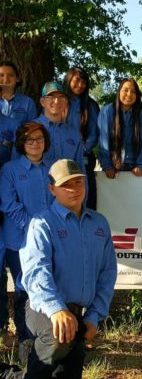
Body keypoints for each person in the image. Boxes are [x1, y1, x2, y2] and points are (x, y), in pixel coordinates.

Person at [0, 159, 117, 378]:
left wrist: (94, 316)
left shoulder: (99, 224)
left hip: (77, 312)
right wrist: (56, 310)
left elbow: (107, 273)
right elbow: (36, 273)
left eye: (79, 182)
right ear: (52, 189)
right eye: (66, 185)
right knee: (58, 338)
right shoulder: (41, 223)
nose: (74, 189)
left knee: (66, 372)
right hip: (40, 306)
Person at [0, 122, 53, 363]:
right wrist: (34, 229)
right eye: (29, 139)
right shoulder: (9, 170)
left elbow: (60, 201)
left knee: (46, 287)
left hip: (49, 241)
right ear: (22, 143)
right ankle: (25, 340)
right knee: (23, 291)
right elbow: (9, 204)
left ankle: (50, 340)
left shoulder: (54, 168)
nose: (34, 143)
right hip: (19, 241)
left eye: (39, 138)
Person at [98, 78, 142, 179]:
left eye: (133, 91)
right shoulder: (107, 111)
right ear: (119, 91)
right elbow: (103, 143)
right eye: (125, 90)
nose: (129, 94)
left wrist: (140, 165)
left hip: (134, 168)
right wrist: (107, 166)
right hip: (112, 168)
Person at [63, 67, 99, 208]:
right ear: (68, 79)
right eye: (77, 80)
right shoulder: (59, 101)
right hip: (60, 158)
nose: (80, 85)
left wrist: (80, 151)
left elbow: (94, 133)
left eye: (84, 82)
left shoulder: (90, 105)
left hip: (83, 159)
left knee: (85, 200)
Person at [35, 82, 85, 172]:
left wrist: (84, 186)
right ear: (42, 101)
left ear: (66, 102)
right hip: (37, 185)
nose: (57, 101)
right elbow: (17, 166)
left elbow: (80, 167)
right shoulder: (30, 129)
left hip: (67, 185)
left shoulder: (73, 133)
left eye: (61, 97)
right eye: (51, 97)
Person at [0, 61, 37, 125]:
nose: (6, 80)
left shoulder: (28, 103)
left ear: (17, 78)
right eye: (1, 75)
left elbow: (32, 131)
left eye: (11, 75)